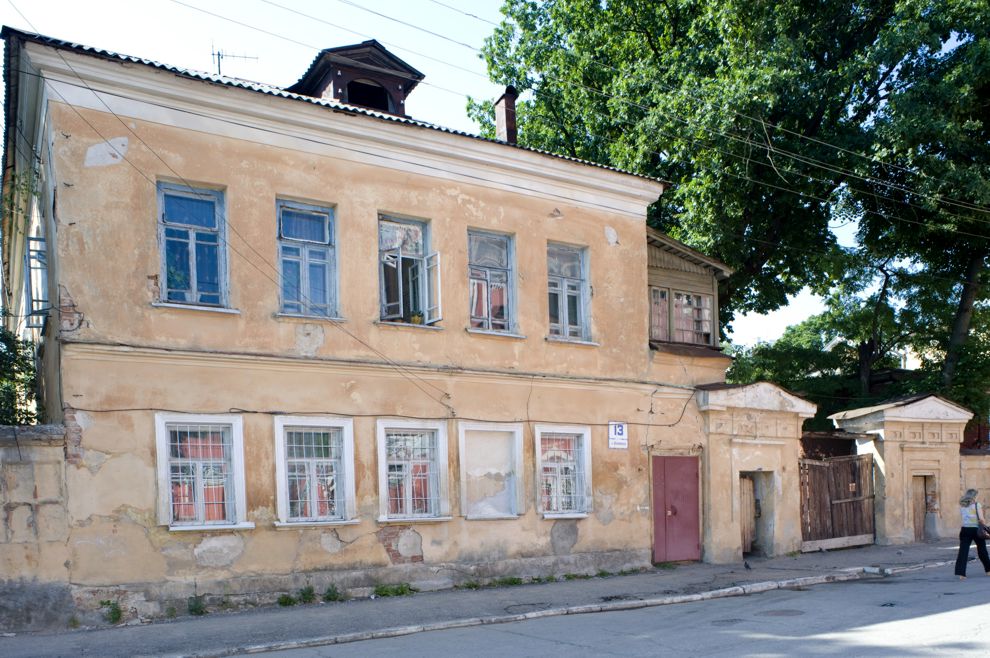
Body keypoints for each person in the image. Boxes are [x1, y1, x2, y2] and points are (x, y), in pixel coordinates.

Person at [954, 488, 990, 579]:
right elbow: (981, 519)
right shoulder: (977, 505)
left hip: (965, 529)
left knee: (963, 551)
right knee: (982, 550)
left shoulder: (962, 505)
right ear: (974, 496)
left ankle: (961, 574)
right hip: (976, 529)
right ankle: (988, 570)